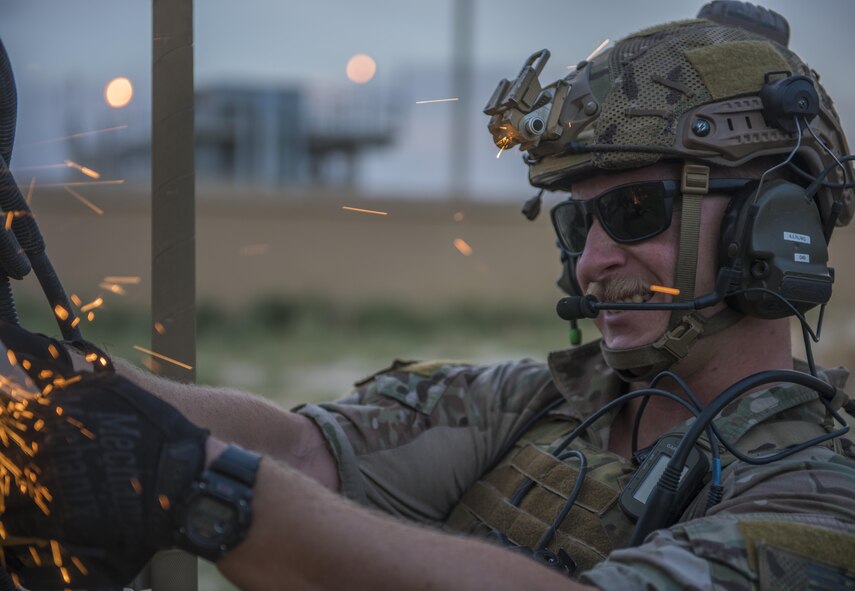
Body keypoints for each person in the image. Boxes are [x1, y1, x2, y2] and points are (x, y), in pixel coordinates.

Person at [2, 2, 855, 590]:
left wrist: (204, 490)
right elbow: (302, 451)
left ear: (769, 226)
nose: (593, 261)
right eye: (576, 222)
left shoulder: (823, 497)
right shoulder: (538, 402)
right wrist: (37, 377)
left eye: (636, 211)